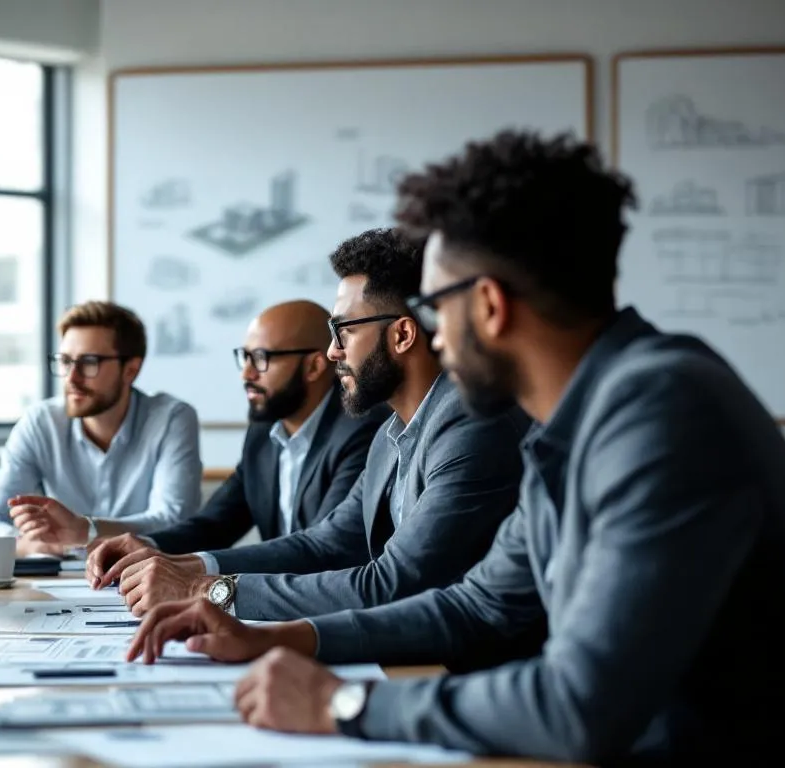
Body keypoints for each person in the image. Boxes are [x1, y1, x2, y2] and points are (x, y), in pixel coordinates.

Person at [125, 131, 785, 765]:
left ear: (488, 306)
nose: (430, 336)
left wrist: (343, 704)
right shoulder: (580, 417)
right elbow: (476, 605)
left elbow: (579, 706)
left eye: (433, 308)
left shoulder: (661, 412)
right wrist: (279, 637)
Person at [91, 229, 527, 620]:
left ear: (402, 335)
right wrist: (192, 565)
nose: (334, 352)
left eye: (343, 332)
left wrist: (208, 591)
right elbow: (324, 544)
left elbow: (394, 583)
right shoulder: (390, 434)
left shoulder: (471, 426)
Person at [86, 301, 384, 591]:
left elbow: (321, 550)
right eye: (244, 357)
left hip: (330, 609)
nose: (246, 374)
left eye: (261, 358)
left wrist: (194, 567)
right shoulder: (263, 431)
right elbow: (216, 523)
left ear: (314, 366)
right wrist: (148, 546)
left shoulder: (363, 430)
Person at [0, 301, 202, 556]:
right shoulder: (41, 423)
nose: (72, 378)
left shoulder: (171, 419)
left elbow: (175, 521)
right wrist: (28, 544)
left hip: (143, 577)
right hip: (59, 581)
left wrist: (86, 530)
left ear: (131, 370)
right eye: (65, 361)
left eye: (89, 362)